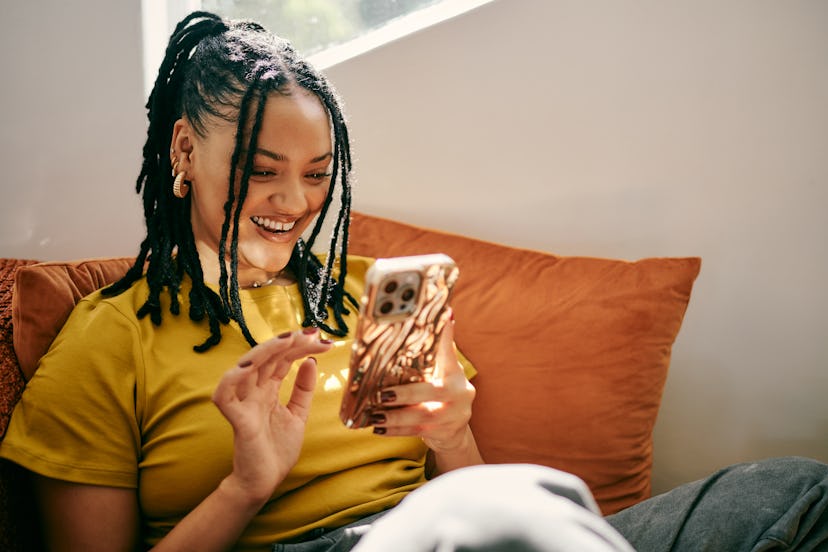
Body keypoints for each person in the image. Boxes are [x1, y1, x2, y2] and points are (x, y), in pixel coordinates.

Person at [1, 11, 826, 552]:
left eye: (319, 174)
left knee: (795, 491)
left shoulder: (368, 291)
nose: (294, 203)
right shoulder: (109, 338)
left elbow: (466, 499)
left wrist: (453, 435)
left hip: (454, 533)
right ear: (184, 153)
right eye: (261, 171)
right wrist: (246, 485)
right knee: (504, 517)